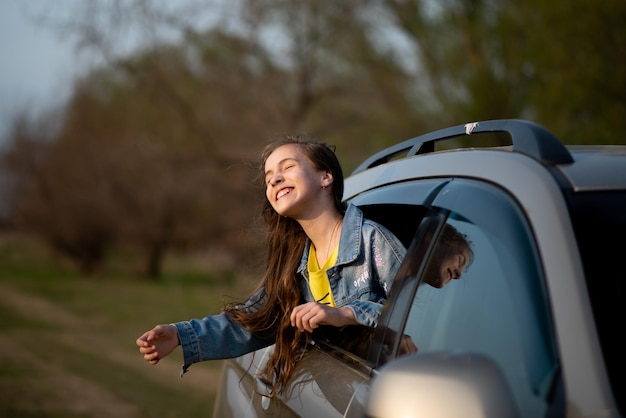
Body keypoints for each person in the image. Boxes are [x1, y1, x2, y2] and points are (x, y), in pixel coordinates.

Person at [136, 135, 406, 395]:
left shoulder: (373, 240)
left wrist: (346, 314)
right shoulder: (295, 261)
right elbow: (258, 320)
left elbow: (418, 316)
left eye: (288, 167)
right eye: (268, 178)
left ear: (326, 177)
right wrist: (180, 334)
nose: (275, 179)